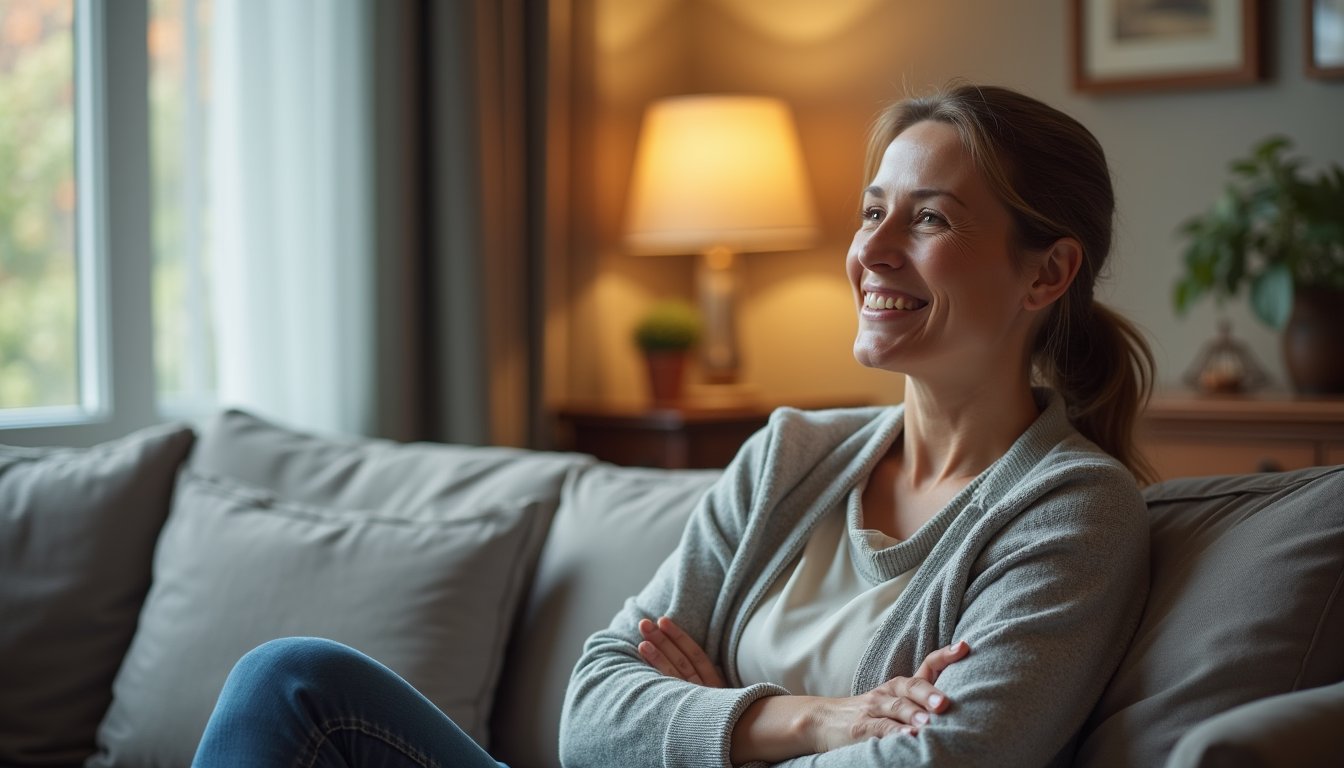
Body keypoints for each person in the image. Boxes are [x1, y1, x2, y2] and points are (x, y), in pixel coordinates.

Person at [193, 83, 1154, 768]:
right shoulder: (791, 456)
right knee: (293, 682)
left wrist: (699, 717)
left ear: (1046, 273)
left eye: (930, 221)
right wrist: (816, 721)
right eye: (872, 212)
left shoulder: (1072, 514)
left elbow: (947, 758)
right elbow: (590, 713)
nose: (872, 250)